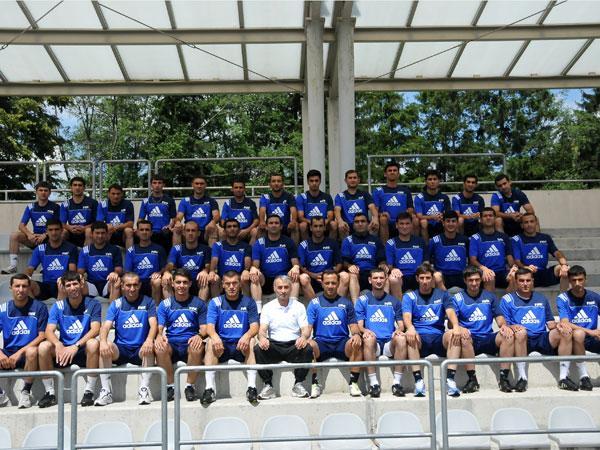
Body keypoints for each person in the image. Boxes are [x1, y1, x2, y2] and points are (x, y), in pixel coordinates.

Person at [500, 267, 577, 392]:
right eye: (521, 281)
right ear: (516, 281)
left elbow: (550, 323)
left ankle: (564, 378)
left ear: (533, 281)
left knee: (565, 332)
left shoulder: (541, 298)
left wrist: (559, 325)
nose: (525, 284)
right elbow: (504, 325)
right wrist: (512, 327)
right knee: (521, 333)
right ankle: (522, 378)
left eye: (528, 280)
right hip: (522, 340)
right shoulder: (507, 299)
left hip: (541, 337)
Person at [38, 271, 101, 408]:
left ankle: (89, 391)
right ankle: (49, 392)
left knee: (93, 343)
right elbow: (48, 331)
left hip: (82, 350)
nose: (72, 288)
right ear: (64, 288)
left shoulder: (93, 304)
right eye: (68, 285)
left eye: (75, 284)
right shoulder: (58, 306)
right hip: (63, 351)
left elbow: (96, 329)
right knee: (43, 347)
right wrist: (57, 344)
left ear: (81, 284)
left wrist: (76, 346)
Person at [96, 272, 158, 406]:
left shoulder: (148, 302)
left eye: (135, 285)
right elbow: (105, 326)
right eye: (128, 285)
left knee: (150, 346)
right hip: (121, 349)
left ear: (140, 285)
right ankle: (106, 391)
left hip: (140, 349)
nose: (132, 288)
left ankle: (144, 389)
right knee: (105, 346)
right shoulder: (116, 304)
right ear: (122, 286)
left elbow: (153, 325)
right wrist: (103, 342)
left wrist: (149, 340)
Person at [451, 266, 515, 393]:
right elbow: (451, 324)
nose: (474, 283)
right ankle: (472, 379)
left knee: (508, 335)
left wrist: (503, 326)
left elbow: (500, 318)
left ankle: (504, 379)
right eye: (471, 280)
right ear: (465, 281)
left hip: (487, 337)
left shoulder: (490, 296)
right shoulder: (457, 298)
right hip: (470, 338)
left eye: (477, 280)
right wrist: (460, 328)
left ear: (481, 280)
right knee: (463, 337)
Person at [402, 263, 462, 397]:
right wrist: (410, 328)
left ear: (433, 279)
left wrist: (456, 326)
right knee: (410, 336)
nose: (425, 281)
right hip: (420, 338)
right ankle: (418, 382)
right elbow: (406, 316)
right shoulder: (409, 296)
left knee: (454, 334)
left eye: (428, 278)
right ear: (417, 279)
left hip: (438, 336)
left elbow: (450, 312)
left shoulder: (443, 294)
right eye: (422, 278)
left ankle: (450, 380)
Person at [201, 271, 259, 405]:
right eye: (228, 284)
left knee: (251, 341)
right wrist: (215, 337)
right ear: (222, 285)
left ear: (240, 284)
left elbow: (255, 326)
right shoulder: (215, 302)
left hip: (241, 345)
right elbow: (209, 327)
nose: (231, 287)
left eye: (234, 283)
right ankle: (209, 389)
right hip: (222, 346)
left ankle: (252, 388)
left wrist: (246, 336)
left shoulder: (249, 302)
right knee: (210, 342)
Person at [254, 276, 313, 399]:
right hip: (274, 345)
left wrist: (303, 337)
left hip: (294, 345)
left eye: (286, 287)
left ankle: (298, 384)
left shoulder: (299, 306)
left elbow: (305, 330)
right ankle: (268, 385)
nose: (283, 291)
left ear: (291, 288)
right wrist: (263, 338)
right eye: (280, 287)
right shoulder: (267, 307)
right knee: (258, 349)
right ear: (274, 288)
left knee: (308, 348)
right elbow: (262, 330)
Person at [306, 271, 362, 398]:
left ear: (338, 284)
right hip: (321, 342)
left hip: (342, 342)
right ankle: (314, 384)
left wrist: (356, 334)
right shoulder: (314, 303)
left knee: (356, 342)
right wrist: (304, 338)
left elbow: (353, 326)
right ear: (322, 284)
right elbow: (308, 327)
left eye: (333, 283)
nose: (330, 286)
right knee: (309, 346)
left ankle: (353, 383)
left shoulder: (346, 303)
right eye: (327, 283)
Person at [155, 269, 207, 401]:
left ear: (190, 284)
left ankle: (190, 386)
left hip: (189, 342)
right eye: (178, 282)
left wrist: (199, 336)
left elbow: (204, 329)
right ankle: (170, 387)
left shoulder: (199, 303)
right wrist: (159, 336)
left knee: (197, 346)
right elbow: (159, 327)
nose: (181, 285)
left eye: (185, 282)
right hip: (171, 343)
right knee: (160, 347)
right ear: (172, 284)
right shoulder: (165, 304)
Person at [356, 269, 406, 397]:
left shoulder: (394, 301)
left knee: (401, 338)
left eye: (381, 278)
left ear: (386, 280)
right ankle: (374, 384)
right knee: (368, 339)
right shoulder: (362, 300)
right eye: (375, 278)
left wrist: (399, 330)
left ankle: (397, 383)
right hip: (374, 344)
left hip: (389, 343)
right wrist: (365, 330)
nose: (378, 281)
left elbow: (401, 324)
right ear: (370, 280)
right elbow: (359, 326)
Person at [0, 274, 48, 409]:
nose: (20, 290)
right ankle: (1, 394)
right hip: (9, 353)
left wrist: (19, 353)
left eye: (24, 286)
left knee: (32, 351)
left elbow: (42, 336)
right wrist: (1, 354)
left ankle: (25, 392)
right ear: (11, 288)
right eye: (17, 286)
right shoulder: (3, 309)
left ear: (29, 288)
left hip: (28, 353)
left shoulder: (40, 307)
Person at [2, 181, 61, 274]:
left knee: (55, 235)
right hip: (35, 238)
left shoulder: (55, 207)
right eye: (40, 190)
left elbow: (59, 225)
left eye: (46, 190)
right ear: (36, 192)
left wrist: (45, 234)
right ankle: (13, 266)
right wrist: (29, 235)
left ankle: (45, 265)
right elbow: (21, 225)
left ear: (49, 192)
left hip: (48, 238)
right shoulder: (31, 206)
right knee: (14, 235)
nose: (43, 192)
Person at [557, 265, 599, 391]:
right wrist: (590, 332)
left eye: (580, 280)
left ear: (585, 279)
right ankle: (583, 377)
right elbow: (565, 323)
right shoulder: (563, 298)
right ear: (569, 281)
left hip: (591, 339)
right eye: (574, 280)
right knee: (579, 333)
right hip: (572, 338)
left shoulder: (594, 297)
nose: (577, 283)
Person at [250, 214, 300, 310]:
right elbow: (256, 266)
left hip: (284, 278)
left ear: (281, 226)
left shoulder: (288, 242)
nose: (273, 225)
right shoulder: (259, 243)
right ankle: (258, 310)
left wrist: (296, 267)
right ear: (266, 226)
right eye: (271, 223)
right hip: (265, 279)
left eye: (276, 223)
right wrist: (253, 269)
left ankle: (294, 308)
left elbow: (295, 263)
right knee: (254, 275)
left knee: (295, 275)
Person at [511, 213, 569, 292]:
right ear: (522, 225)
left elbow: (557, 253)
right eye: (526, 222)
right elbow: (517, 261)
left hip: (544, 272)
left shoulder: (545, 237)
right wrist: (526, 267)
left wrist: (564, 265)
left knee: (564, 269)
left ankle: (564, 297)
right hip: (526, 273)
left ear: (536, 223)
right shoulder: (516, 239)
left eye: (532, 221)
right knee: (517, 274)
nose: (529, 224)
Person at [26, 219, 78, 300]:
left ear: (62, 230)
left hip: (63, 284)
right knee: (26, 285)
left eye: (56, 229)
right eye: (50, 230)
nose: (53, 233)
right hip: (46, 286)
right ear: (46, 231)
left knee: (67, 285)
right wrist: (25, 280)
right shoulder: (40, 249)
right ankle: (34, 307)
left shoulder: (71, 248)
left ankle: (61, 307)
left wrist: (63, 282)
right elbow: (30, 269)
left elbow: (72, 271)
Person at [341, 213, 386, 301]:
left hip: (372, 272)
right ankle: (356, 306)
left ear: (368, 224)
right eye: (357, 222)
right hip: (357, 273)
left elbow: (382, 259)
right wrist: (349, 266)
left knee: (383, 274)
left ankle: (383, 304)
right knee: (353, 275)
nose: (360, 224)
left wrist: (383, 264)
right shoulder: (348, 240)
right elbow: (344, 261)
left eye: (363, 221)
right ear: (353, 225)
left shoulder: (375, 240)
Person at [162, 220, 211, 300]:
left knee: (204, 281)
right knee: (166, 280)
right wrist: (167, 272)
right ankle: (171, 306)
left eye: (193, 231)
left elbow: (208, 266)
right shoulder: (176, 249)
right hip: (181, 281)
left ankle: (201, 307)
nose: (190, 233)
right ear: (184, 233)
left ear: (198, 233)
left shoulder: (205, 249)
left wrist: (205, 271)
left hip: (197, 281)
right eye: (188, 230)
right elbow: (170, 264)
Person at [298, 217, 345, 300]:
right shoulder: (303, 245)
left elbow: (339, 263)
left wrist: (329, 275)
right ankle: (315, 306)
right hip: (312, 278)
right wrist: (312, 275)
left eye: (320, 226)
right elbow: (301, 266)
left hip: (330, 277)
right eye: (315, 226)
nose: (318, 229)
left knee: (345, 276)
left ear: (324, 227)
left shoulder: (332, 243)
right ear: (311, 228)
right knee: (303, 278)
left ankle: (337, 303)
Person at [469, 207, 512, 291]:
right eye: (485, 216)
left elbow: (510, 257)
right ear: (481, 220)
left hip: (502, 271)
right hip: (484, 272)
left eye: (490, 215)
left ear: (495, 218)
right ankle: (490, 300)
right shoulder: (475, 238)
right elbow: (472, 260)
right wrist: (484, 268)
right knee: (490, 276)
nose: (488, 218)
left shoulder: (504, 237)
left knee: (515, 276)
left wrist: (514, 268)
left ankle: (509, 299)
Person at [386, 212, 429, 297]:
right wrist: (394, 269)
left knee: (430, 276)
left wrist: (422, 272)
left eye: (407, 223)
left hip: (417, 275)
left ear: (412, 225)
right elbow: (390, 265)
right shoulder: (390, 243)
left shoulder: (420, 241)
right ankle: (398, 304)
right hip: (400, 276)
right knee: (393, 278)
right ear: (396, 225)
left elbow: (426, 262)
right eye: (401, 224)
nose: (404, 227)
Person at [124, 219, 167, 303]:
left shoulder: (159, 249)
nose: (144, 232)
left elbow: (164, 267)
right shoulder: (131, 250)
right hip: (137, 282)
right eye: (141, 230)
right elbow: (128, 271)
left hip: (152, 282)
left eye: (147, 230)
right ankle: (129, 307)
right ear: (137, 232)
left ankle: (155, 308)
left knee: (157, 281)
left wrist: (159, 273)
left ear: (151, 233)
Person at [77, 221, 123, 298]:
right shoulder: (85, 250)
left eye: (103, 233)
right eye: (97, 233)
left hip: (108, 283)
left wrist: (115, 273)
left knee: (116, 281)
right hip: (91, 284)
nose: (100, 236)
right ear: (92, 234)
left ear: (107, 234)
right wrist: (80, 277)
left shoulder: (115, 249)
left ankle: (113, 306)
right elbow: (80, 271)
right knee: (77, 284)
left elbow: (119, 270)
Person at [373, 161, 415, 242]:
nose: (392, 172)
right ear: (385, 174)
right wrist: (382, 214)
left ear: (398, 174)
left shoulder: (405, 190)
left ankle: (412, 245)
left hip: (402, 220)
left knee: (413, 219)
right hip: (386, 221)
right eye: (390, 170)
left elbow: (410, 209)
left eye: (395, 170)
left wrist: (405, 214)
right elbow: (375, 211)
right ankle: (384, 247)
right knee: (383, 219)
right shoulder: (378, 191)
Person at [209, 219, 252, 297]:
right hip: (223, 281)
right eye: (229, 227)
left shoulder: (246, 246)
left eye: (234, 226)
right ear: (224, 231)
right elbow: (214, 263)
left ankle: (246, 302)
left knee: (245, 276)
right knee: (214, 278)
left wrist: (246, 270)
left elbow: (247, 266)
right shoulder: (217, 245)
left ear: (239, 230)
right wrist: (212, 271)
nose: (232, 228)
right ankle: (216, 303)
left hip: (239, 281)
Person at [174, 175, 220, 246]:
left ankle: (212, 253)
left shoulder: (211, 201)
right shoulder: (185, 201)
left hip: (205, 231)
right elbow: (179, 216)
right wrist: (177, 222)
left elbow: (216, 215)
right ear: (192, 185)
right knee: (176, 229)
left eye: (201, 184)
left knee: (213, 228)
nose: (199, 186)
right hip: (190, 231)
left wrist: (213, 222)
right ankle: (176, 252)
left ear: (205, 185)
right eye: (197, 183)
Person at [429, 211, 469, 290]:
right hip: (442, 277)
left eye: (453, 221)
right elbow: (427, 260)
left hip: (461, 276)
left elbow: (471, 260)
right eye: (448, 221)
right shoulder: (435, 241)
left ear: (457, 223)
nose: (451, 224)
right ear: (443, 223)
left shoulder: (465, 240)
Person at [334, 169, 379, 240]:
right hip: (347, 226)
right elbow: (337, 210)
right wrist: (340, 221)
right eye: (350, 178)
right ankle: (344, 246)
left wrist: (375, 218)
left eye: (355, 178)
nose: (352, 180)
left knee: (375, 224)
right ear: (345, 180)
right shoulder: (340, 196)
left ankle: (372, 245)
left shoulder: (365, 194)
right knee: (341, 226)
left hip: (362, 224)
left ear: (358, 180)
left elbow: (372, 207)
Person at [138, 174, 177, 252]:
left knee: (167, 234)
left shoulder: (170, 200)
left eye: (159, 183)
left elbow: (174, 219)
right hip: (150, 231)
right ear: (151, 185)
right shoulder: (145, 201)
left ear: (163, 185)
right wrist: (138, 228)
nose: (157, 185)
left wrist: (169, 226)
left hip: (164, 231)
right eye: (154, 183)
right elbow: (140, 219)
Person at [296, 169, 336, 240]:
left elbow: (330, 216)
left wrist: (321, 223)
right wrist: (314, 223)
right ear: (308, 182)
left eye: (316, 181)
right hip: (309, 224)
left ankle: (330, 245)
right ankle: (307, 245)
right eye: (311, 181)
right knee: (302, 225)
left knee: (333, 224)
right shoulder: (301, 197)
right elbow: (300, 217)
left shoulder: (327, 197)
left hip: (323, 224)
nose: (314, 183)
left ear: (320, 181)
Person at [258, 173, 298, 243]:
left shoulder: (289, 196)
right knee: (260, 227)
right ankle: (261, 248)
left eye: (279, 181)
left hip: (286, 227)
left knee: (295, 225)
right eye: (273, 181)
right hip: (271, 227)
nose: (276, 183)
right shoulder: (265, 197)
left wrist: (293, 221)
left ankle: (294, 249)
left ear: (283, 184)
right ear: (270, 184)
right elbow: (262, 210)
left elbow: (293, 210)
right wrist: (262, 221)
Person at [60, 177, 98, 247]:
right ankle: (62, 253)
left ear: (84, 188)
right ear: (71, 187)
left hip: (87, 232)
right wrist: (70, 228)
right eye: (75, 185)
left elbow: (97, 222)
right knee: (63, 232)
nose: (77, 187)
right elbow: (62, 223)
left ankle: (87, 253)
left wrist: (84, 228)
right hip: (71, 232)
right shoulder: (65, 204)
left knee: (89, 231)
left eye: (80, 185)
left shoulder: (93, 202)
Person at [414, 169, 450, 242]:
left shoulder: (444, 197)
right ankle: (426, 246)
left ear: (439, 181)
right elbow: (419, 216)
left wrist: (442, 215)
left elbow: (448, 213)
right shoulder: (419, 197)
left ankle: (449, 243)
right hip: (426, 225)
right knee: (423, 222)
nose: (432, 181)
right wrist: (432, 217)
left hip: (440, 224)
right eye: (430, 179)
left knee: (449, 220)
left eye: (435, 179)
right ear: (426, 181)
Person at [219, 179, 259, 244]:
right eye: (236, 187)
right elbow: (223, 220)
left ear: (244, 189)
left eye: (240, 187)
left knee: (255, 231)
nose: (238, 190)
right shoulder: (228, 203)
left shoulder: (251, 203)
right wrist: (230, 229)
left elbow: (256, 220)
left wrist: (247, 230)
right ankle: (224, 250)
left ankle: (250, 250)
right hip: (232, 230)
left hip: (247, 231)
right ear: (232, 189)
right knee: (221, 232)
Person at [96, 184, 135, 249]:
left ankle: (129, 254)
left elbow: (130, 224)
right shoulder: (102, 205)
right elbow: (99, 223)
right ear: (108, 194)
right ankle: (103, 252)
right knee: (107, 228)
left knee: (129, 231)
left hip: (122, 233)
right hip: (108, 231)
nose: (116, 196)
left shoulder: (128, 204)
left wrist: (117, 227)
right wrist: (110, 227)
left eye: (118, 194)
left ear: (122, 194)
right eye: (113, 194)